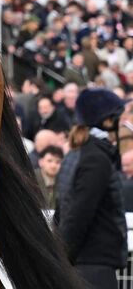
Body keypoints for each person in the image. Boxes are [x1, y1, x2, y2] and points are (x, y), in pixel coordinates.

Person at [55, 89, 127, 288]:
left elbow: (64, 211)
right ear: (106, 121)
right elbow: (79, 213)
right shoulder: (96, 159)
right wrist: (63, 259)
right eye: (118, 118)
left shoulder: (77, 155)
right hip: (92, 267)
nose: (122, 124)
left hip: (81, 265)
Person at [38, 144, 64, 209]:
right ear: (41, 162)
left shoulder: (64, 181)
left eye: (58, 162)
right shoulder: (31, 178)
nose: (53, 166)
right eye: (49, 161)